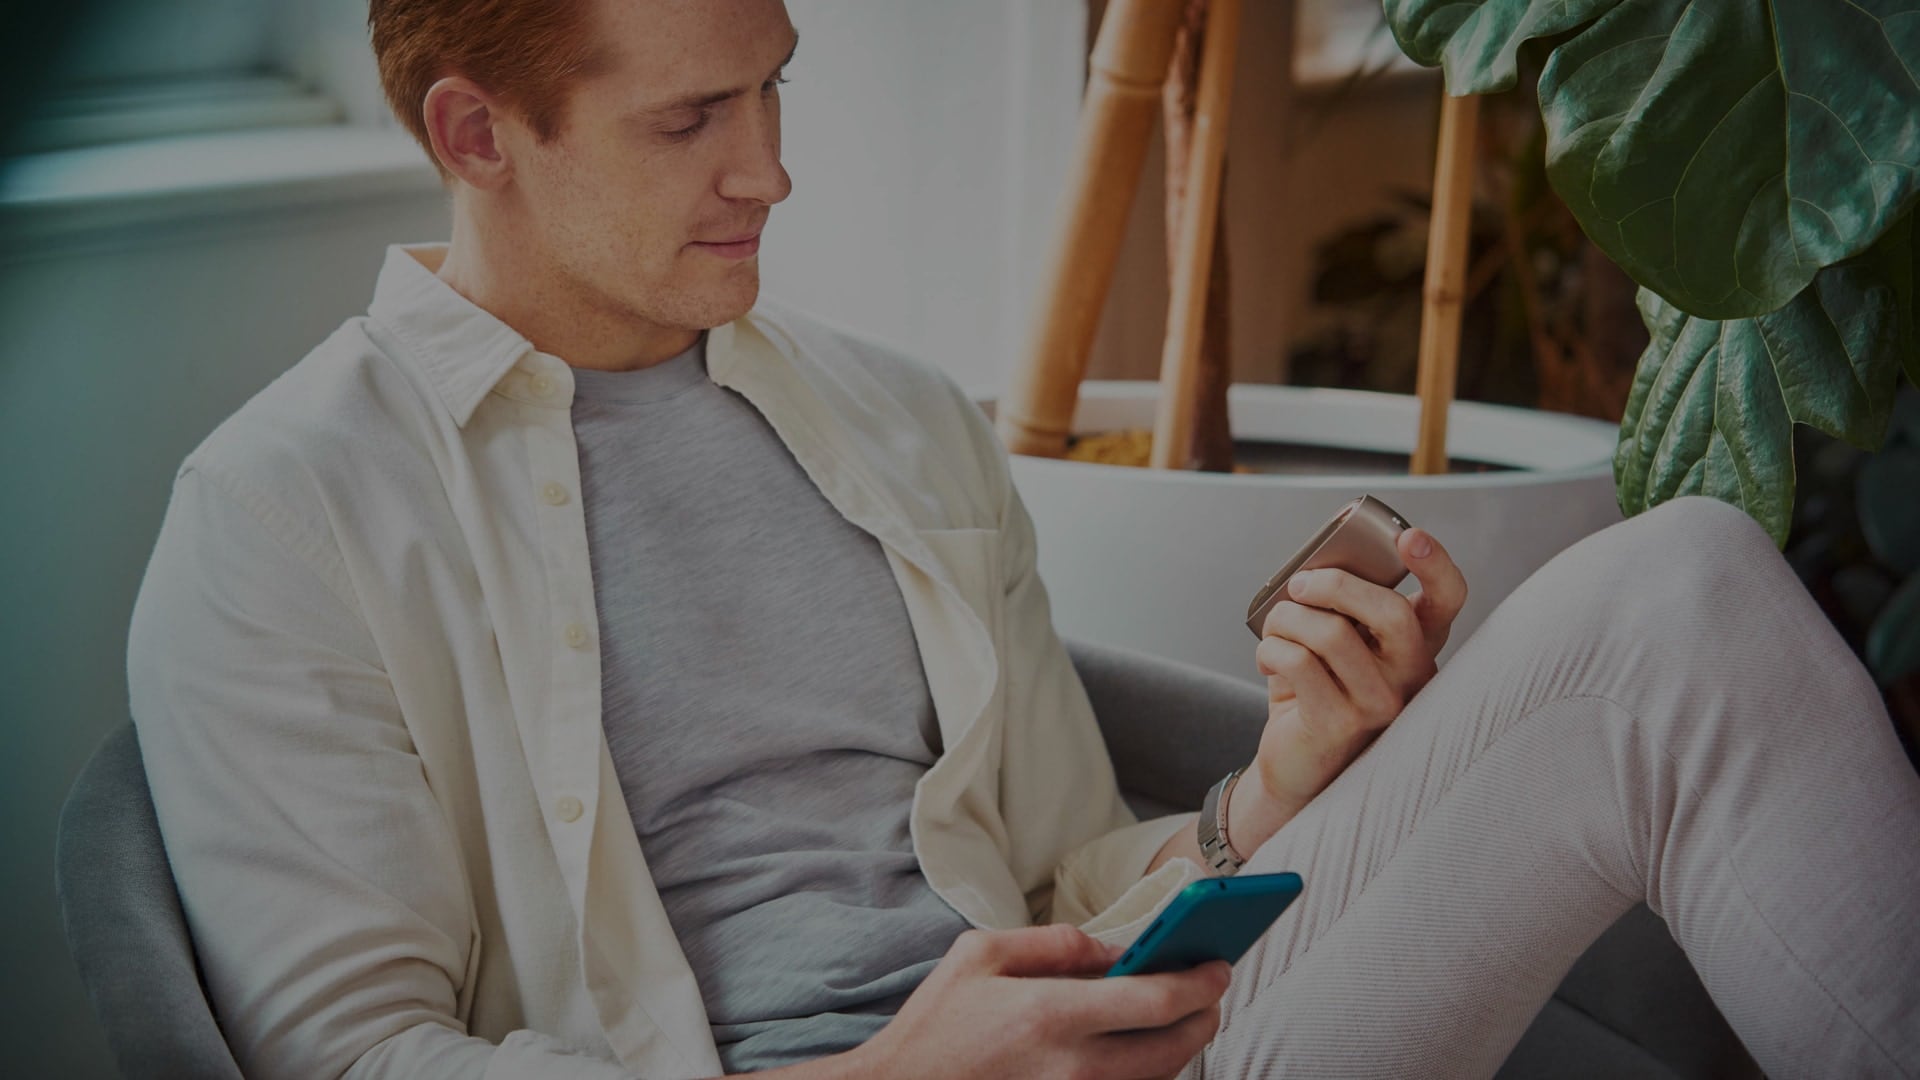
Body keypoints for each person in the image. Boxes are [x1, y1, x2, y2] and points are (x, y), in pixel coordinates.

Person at [125, 0, 1920, 1077]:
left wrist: (1279, 784)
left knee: (1679, 584)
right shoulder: (287, 514)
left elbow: (1066, 882)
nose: (770, 169)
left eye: (775, 89)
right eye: (690, 118)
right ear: (473, 130)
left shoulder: (893, 417)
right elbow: (355, 1059)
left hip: (1151, 1048)